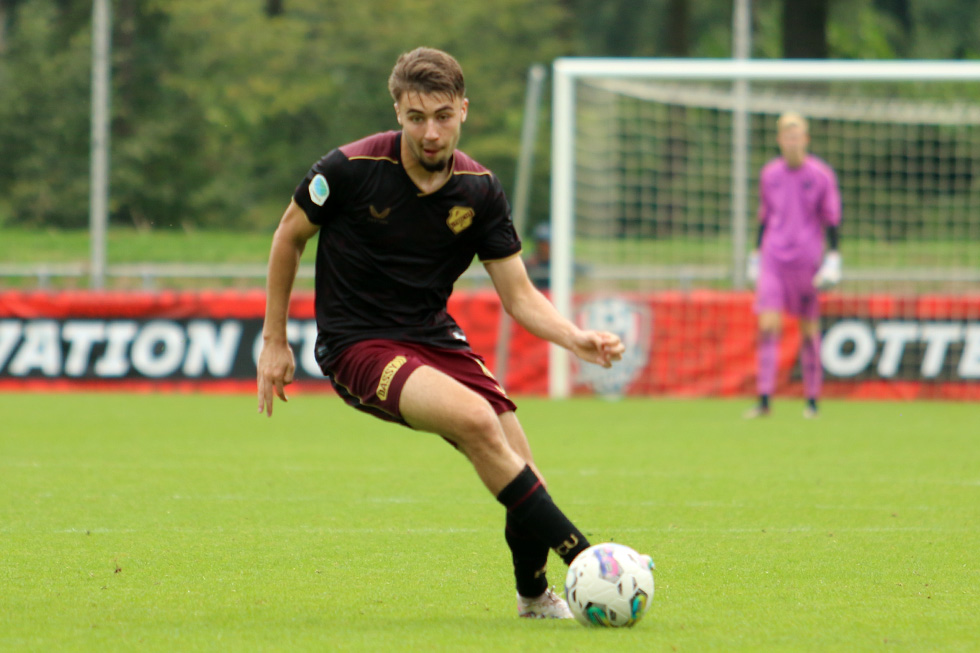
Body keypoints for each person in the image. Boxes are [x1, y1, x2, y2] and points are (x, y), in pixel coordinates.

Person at [256, 47, 627, 619]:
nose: (430, 132)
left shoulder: (479, 191)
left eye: (443, 116)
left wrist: (574, 337)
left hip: (432, 339)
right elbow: (288, 236)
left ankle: (535, 598)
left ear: (464, 111)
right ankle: (588, 560)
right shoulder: (350, 170)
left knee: (526, 475)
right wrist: (274, 341)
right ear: (397, 111)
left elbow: (520, 296)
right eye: (416, 117)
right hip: (357, 343)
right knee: (478, 421)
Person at [745, 111, 842, 420]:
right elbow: (764, 216)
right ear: (779, 140)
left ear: (806, 139)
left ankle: (812, 400)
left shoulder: (821, 175)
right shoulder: (769, 174)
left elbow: (831, 220)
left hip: (807, 261)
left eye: (797, 135)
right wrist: (755, 255)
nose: (792, 141)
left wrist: (834, 258)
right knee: (768, 325)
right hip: (774, 257)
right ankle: (764, 399)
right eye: (787, 135)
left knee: (809, 330)